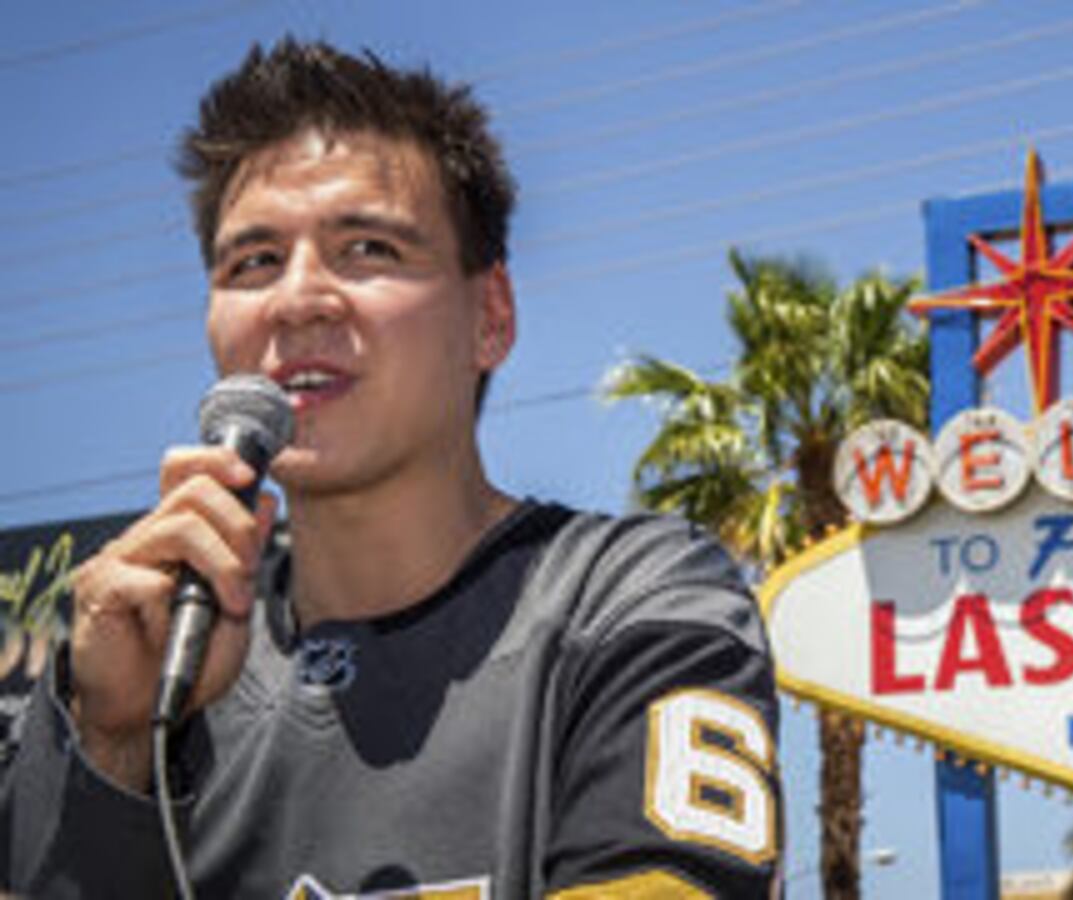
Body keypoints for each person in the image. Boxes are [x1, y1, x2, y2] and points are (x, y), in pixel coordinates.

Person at [1, 38, 782, 898]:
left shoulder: (632, 598)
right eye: (253, 262)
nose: (298, 300)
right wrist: (110, 743)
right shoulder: (149, 653)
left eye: (368, 248)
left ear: (491, 315)